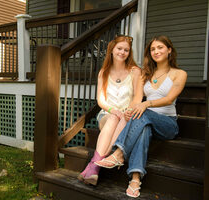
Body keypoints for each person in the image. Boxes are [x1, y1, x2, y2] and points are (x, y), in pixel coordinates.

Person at [95, 35, 187, 198]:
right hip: (146, 120)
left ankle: (119, 153)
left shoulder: (179, 74)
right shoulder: (146, 74)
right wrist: (131, 110)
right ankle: (135, 179)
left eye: (160, 48)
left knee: (143, 114)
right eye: (152, 49)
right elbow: (137, 99)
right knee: (143, 128)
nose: (156, 51)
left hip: (167, 124)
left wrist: (146, 104)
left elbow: (169, 99)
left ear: (169, 50)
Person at [77, 35, 141, 185]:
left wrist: (127, 110)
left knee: (121, 117)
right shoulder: (103, 72)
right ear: (112, 49)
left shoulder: (135, 71)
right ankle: (98, 164)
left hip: (127, 115)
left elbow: (137, 97)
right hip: (107, 115)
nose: (122, 52)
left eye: (126, 50)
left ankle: (94, 167)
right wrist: (113, 110)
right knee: (113, 117)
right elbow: (101, 100)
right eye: (119, 48)